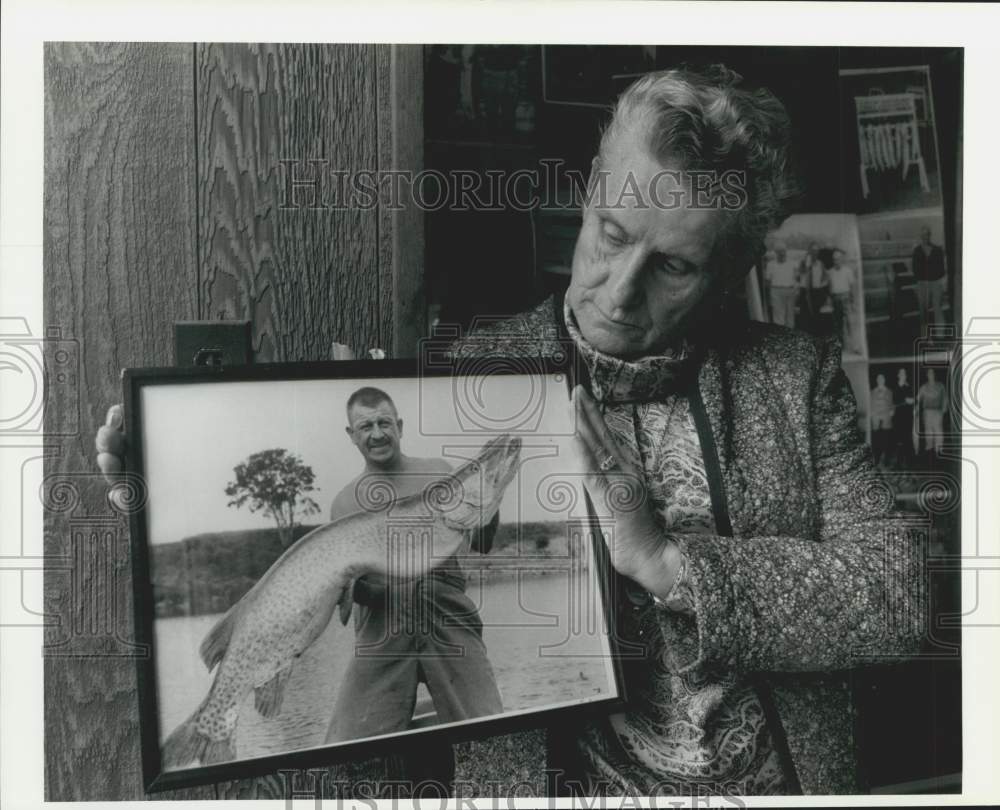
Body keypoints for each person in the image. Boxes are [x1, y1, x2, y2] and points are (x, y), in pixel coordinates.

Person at [97, 65, 925, 796]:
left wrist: (666, 562)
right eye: (611, 234)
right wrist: (163, 477)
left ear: (733, 270)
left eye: (673, 266)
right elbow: (379, 602)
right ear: (589, 193)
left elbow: (898, 597)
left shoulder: (795, 376)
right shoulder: (464, 374)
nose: (619, 292)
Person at [322, 386, 504, 742]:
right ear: (351, 435)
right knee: (345, 745)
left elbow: (482, 543)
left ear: (400, 426)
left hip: (447, 616)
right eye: (365, 426)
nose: (377, 434)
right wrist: (378, 585)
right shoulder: (344, 505)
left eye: (384, 423)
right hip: (382, 629)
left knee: (492, 736)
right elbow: (351, 591)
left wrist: (490, 499)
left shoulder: (440, 474)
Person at [911, 226, 947, 332]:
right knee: (923, 310)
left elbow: (942, 269)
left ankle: (941, 334)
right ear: (920, 236)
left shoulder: (938, 250)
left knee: (937, 308)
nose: (925, 237)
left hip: (935, 283)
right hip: (922, 284)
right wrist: (921, 280)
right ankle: (925, 335)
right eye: (923, 235)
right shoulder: (917, 251)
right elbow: (914, 269)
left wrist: (936, 279)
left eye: (926, 234)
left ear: (930, 235)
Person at [827, 248, 859, 354]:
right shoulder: (830, 272)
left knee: (850, 322)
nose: (836, 261)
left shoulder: (848, 271)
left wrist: (853, 302)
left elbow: (852, 287)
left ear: (842, 259)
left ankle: (855, 346)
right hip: (835, 298)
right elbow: (829, 289)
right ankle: (841, 345)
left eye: (838, 259)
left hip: (846, 298)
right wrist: (830, 300)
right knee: (838, 324)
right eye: (834, 259)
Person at [763, 241, 798, 327]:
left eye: (783, 251)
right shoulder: (770, 264)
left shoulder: (793, 263)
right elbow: (767, 281)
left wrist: (797, 290)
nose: (782, 253)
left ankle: (791, 333)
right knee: (778, 317)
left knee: (790, 316)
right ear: (776, 253)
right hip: (776, 291)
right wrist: (768, 296)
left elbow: (797, 279)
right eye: (779, 251)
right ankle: (780, 334)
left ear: (786, 251)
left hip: (790, 291)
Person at [916, 368, 948, 459]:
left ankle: (939, 451)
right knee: (928, 432)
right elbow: (918, 399)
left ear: (934, 374)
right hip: (927, 412)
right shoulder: (923, 387)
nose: (931, 375)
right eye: (929, 373)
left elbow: (945, 398)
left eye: (932, 373)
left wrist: (943, 409)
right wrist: (916, 409)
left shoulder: (940, 386)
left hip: (937, 412)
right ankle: (929, 450)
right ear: (927, 375)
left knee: (938, 432)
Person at [892, 367, 916, 467]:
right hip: (898, 417)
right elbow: (894, 403)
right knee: (898, 439)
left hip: (908, 417)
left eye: (904, 374)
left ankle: (910, 462)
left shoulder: (909, 387)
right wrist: (905, 401)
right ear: (898, 375)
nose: (903, 375)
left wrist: (912, 402)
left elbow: (913, 400)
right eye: (901, 373)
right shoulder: (894, 388)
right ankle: (898, 462)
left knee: (908, 439)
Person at [869, 373, 894, 468]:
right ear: (877, 380)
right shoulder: (872, 392)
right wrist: (872, 414)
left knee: (886, 440)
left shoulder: (889, 392)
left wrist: (892, 411)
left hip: (885, 419)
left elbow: (892, 405)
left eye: (882, 378)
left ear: (884, 380)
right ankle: (877, 459)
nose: (880, 380)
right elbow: (870, 405)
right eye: (878, 378)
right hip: (876, 419)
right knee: (876, 441)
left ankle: (886, 460)